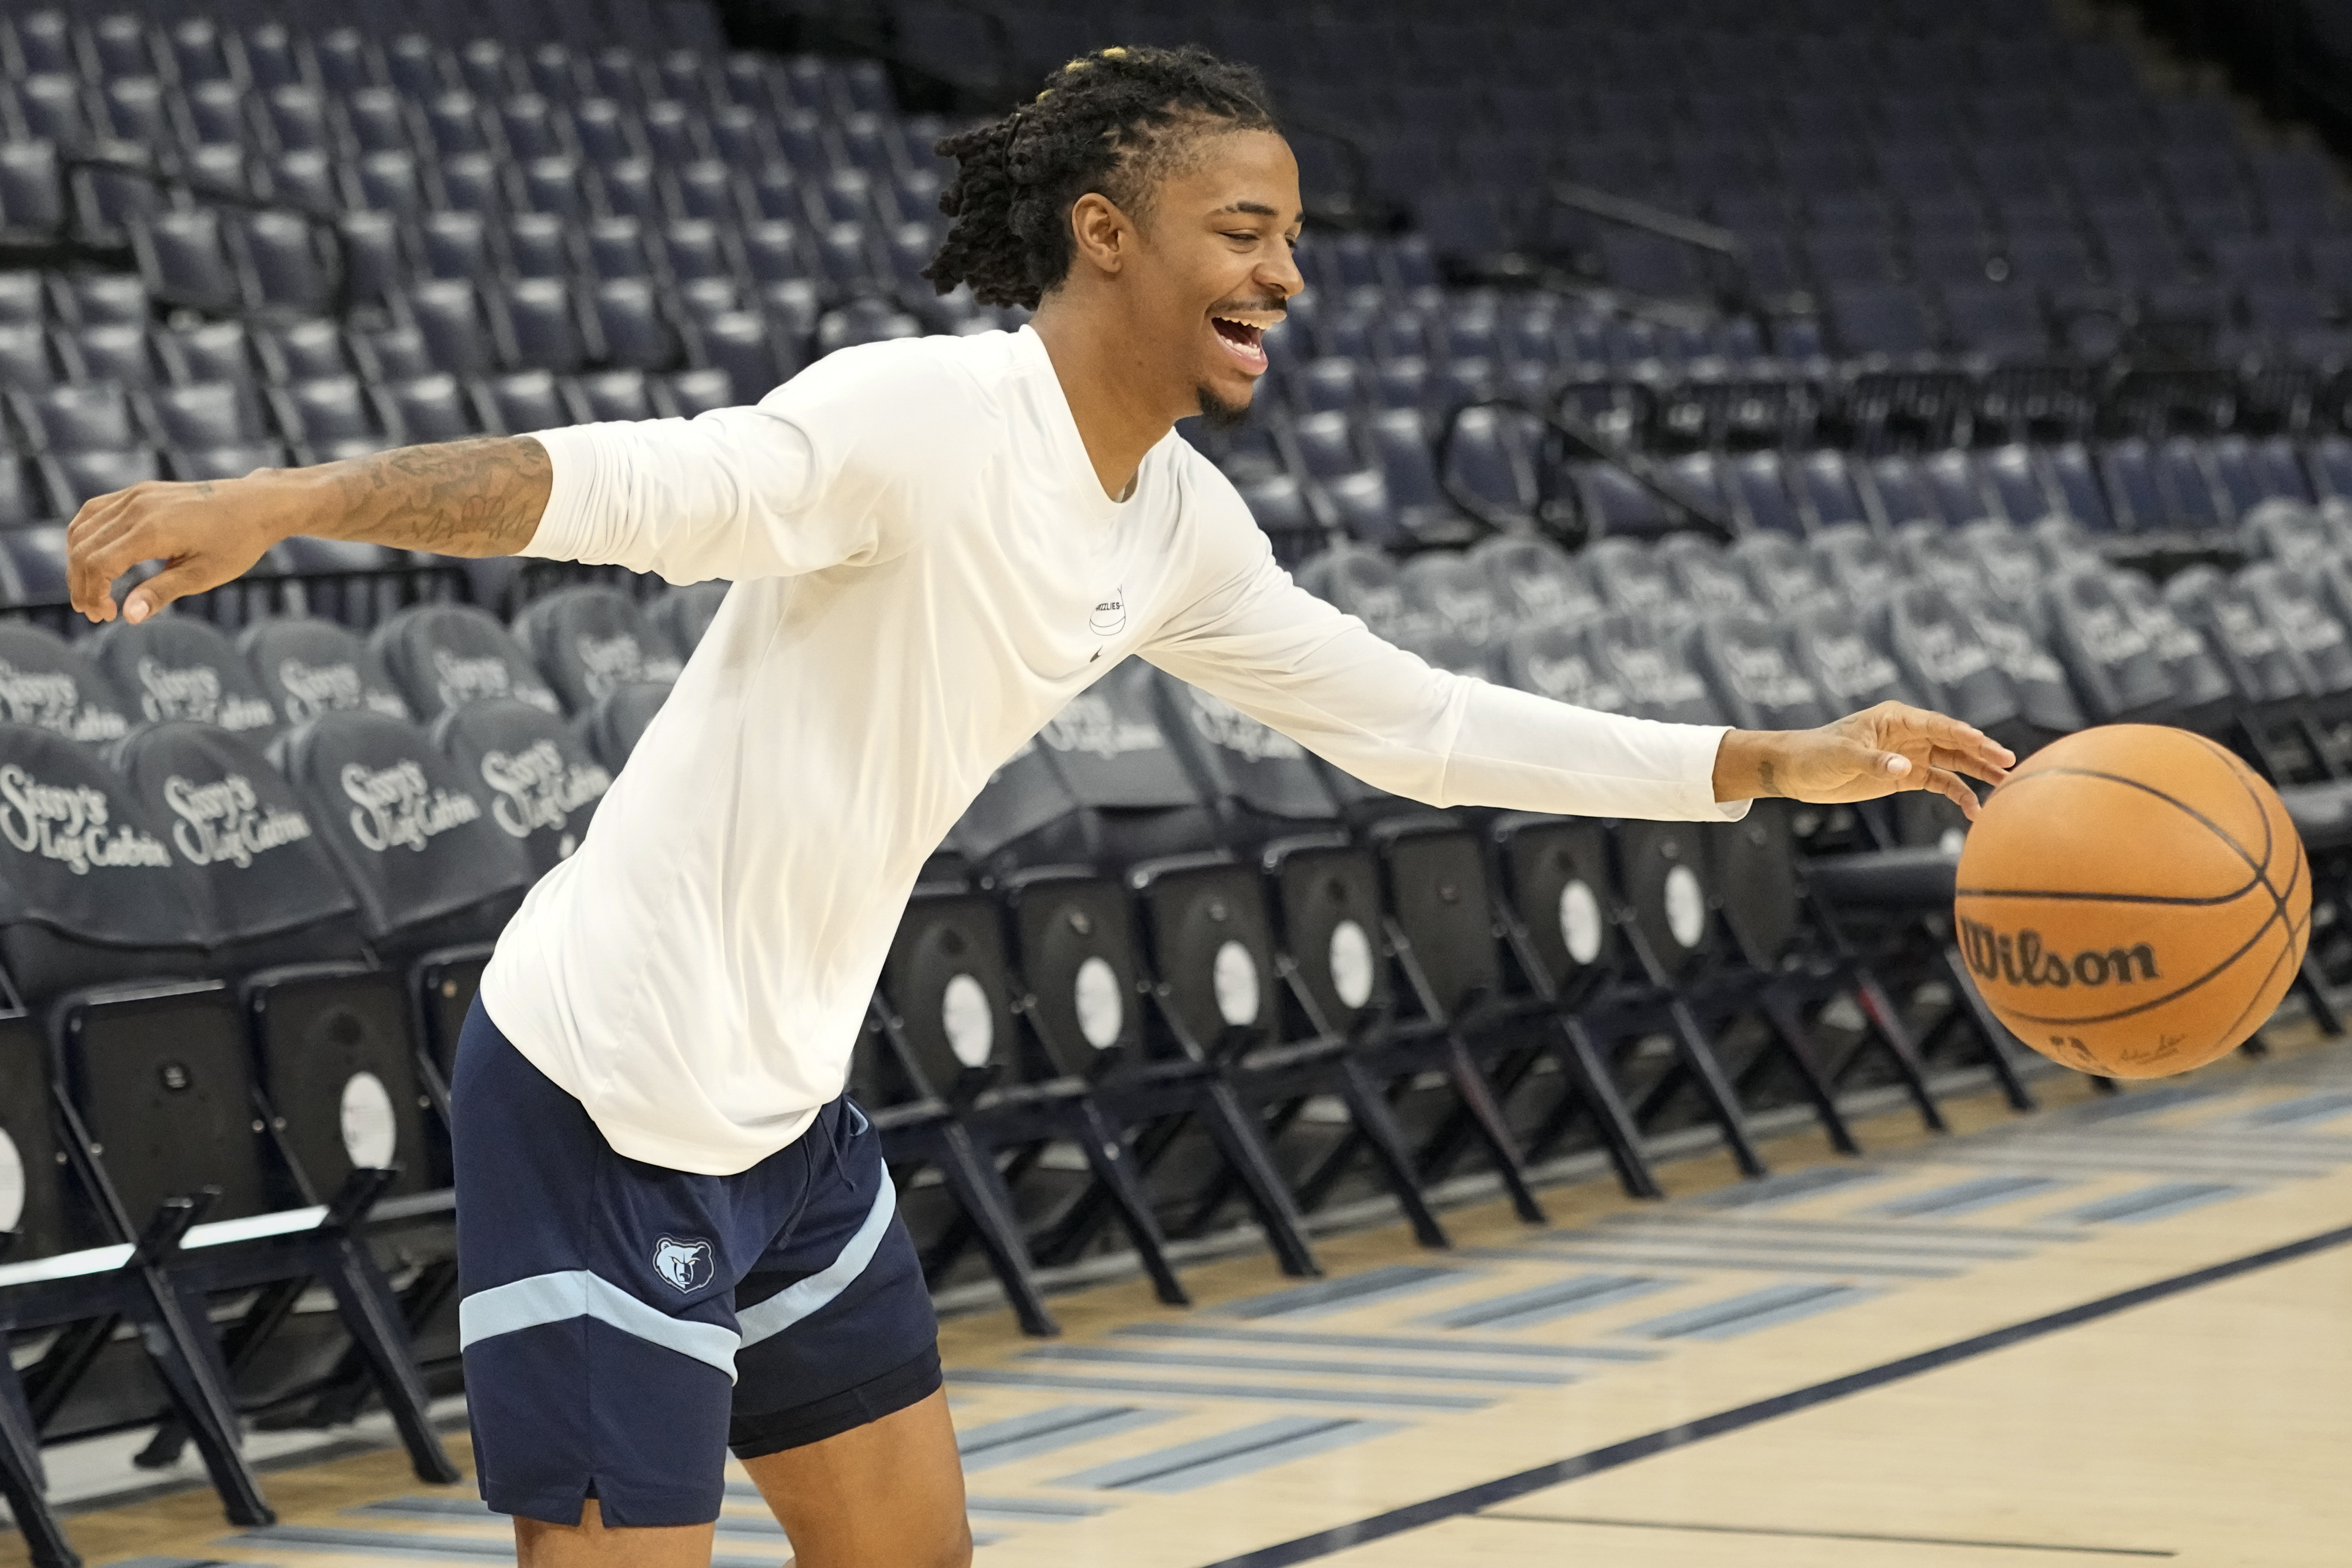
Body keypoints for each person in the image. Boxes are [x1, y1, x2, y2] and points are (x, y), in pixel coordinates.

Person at [64, 44, 2012, 1568]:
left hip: (790, 1113)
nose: (1287, 271)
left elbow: (1410, 722)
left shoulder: (1172, 522)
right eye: (1245, 228)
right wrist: (290, 499)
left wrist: (1765, 764)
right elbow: (621, 485)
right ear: (1106, 231)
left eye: (1294, 234)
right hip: (601, 1091)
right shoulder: (918, 419)